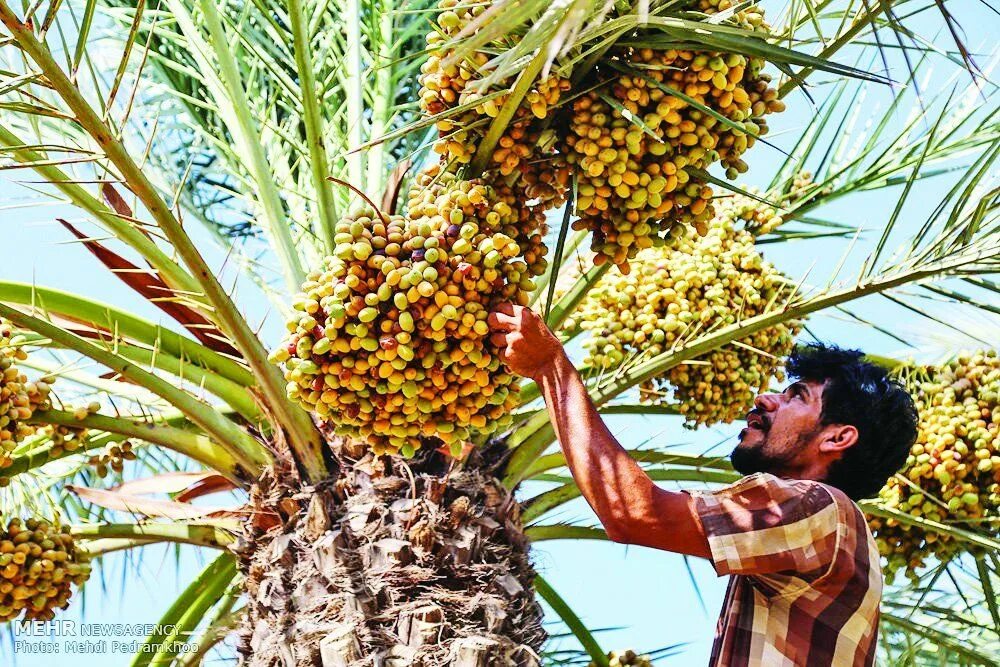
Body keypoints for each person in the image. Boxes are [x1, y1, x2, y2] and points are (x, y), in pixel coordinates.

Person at [487, 303, 918, 667]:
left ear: (838, 437)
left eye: (796, 396)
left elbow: (635, 513)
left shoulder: (819, 508)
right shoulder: (809, 537)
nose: (767, 400)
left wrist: (550, 366)